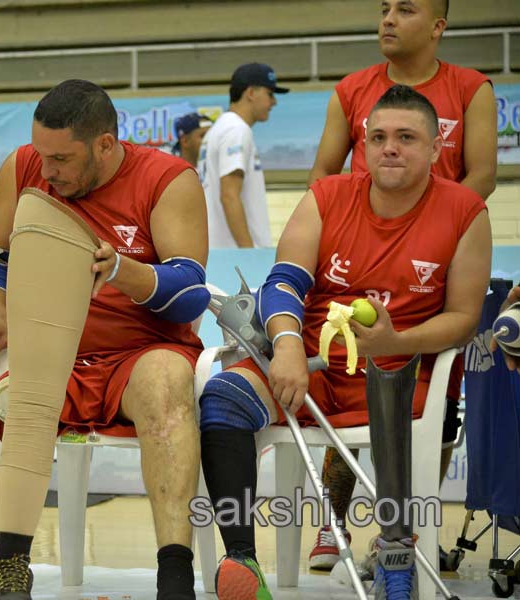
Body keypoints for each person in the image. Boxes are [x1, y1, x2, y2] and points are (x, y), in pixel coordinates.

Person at [198, 85, 490, 600]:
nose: (389, 148)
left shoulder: (465, 211)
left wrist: (396, 340)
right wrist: (286, 344)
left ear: (435, 148)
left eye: (405, 137)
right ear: (362, 144)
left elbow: (464, 319)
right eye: (377, 137)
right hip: (310, 365)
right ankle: (241, 561)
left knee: (394, 394)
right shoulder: (327, 195)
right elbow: (284, 281)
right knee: (223, 399)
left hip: (400, 373)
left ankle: (395, 554)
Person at [0, 79, 210, 600]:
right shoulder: (24, 165)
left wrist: (124, 271)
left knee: (168, 382)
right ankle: (9, 564)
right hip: (53, 349)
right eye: (42, 155)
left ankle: (175, 576)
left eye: (62, 159)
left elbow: (191, 294)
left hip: (137, 353)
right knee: (21, 389)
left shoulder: (168, 179)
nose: (47, 171)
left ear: (105, 143)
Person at [306, 0, 497, 569]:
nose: (387, 18)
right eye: (383, 8)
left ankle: (410, 528)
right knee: (344, 378)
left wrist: (436, 231)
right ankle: (330, 522)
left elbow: (482, 173)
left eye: (405, 9)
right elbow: (324, 172)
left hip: (438, 269)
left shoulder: (471, 87)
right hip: (359, 266)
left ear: (438, 26)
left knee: (437, 408)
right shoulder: (350, 89)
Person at [203, 63, 287, 249]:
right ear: (251, 93)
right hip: (235, 255)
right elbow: (229, 195)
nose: (274, 102)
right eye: (270, 94)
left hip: (221, 250)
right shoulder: (236, 130)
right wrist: (248, 253)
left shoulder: (218, 129)